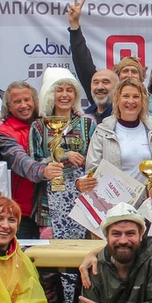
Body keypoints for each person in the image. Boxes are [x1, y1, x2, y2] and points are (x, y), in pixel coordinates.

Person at [30, 68, 96, 242]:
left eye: (70, 90)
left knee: (81, 252)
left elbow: (94, 163)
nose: (65, 95)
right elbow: (34, 164)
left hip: (82, 202)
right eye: (59, 90)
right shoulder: (38, 126)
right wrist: (64, 156)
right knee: (53, 253)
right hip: (48, 205)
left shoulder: (87, 124)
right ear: (50, 94)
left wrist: (84, 165)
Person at [0, 81, 57, 238]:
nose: (23, 105)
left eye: (27, 100)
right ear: (9, 107)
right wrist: (44, 170)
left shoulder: (47, 124)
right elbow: (21, 162)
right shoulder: (4, 133)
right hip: (21, 212)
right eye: (17, 101)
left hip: (50, 210)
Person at [86, 79, 152, 198]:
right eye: (125, 96)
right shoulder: (102, 131)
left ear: (143, 101)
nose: (131, 101)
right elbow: (92, 170)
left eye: (136, 96)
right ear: (117, 100)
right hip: (113, 202)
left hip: (146, 203)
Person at [65, 0, 116, 123]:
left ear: (118, 88)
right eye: (95, 82)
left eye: (106, 82)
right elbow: (83, 65)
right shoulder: (84, 119)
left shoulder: (124, 116)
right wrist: (74, 27)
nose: (100, 87)